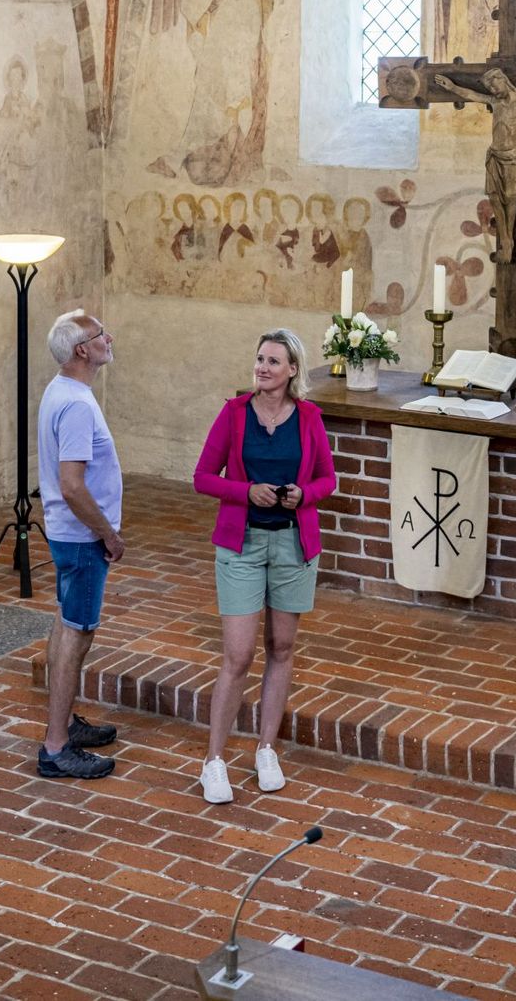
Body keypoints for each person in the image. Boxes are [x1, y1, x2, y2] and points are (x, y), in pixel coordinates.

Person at [190, 328, 339, 803]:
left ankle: (266, 749)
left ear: (293, 370)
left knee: (282, 646)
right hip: (243, 546)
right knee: (238, 655)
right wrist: (244, 491)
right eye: (259, 359)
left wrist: (304, 495)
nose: (263, 368)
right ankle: (213, 761)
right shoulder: (234, 414)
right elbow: (202, 477)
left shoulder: (310, 417)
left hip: (293, 545)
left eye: (274, 361)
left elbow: (327, 478)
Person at [34, 309, 124, 781]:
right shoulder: (76, 405)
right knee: (77, 633)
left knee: (65, 623)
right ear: (81, 350)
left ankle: (64, 721)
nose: (109, 338)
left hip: (71, 535)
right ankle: (55, 748)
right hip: (83, 537)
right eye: (99, 334)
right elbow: (72, 485)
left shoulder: (62, 391)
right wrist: (107, 532)